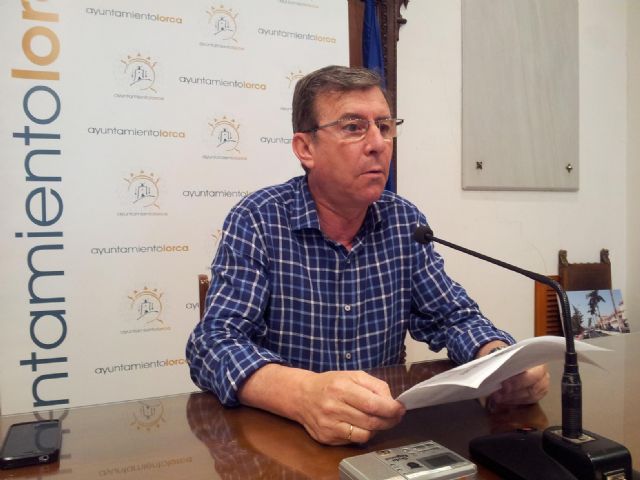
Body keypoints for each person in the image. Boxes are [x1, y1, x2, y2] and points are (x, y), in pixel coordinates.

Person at [186, 65, 549, 446]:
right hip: (284, 441)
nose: (378, 144)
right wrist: (302, 393)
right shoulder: (259, 219)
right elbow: (212, 344)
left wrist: (501, 361)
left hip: (381, 438)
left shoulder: (403, 220)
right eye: (353, 127)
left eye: (385, 126)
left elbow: (453, 317)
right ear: (306, 148)